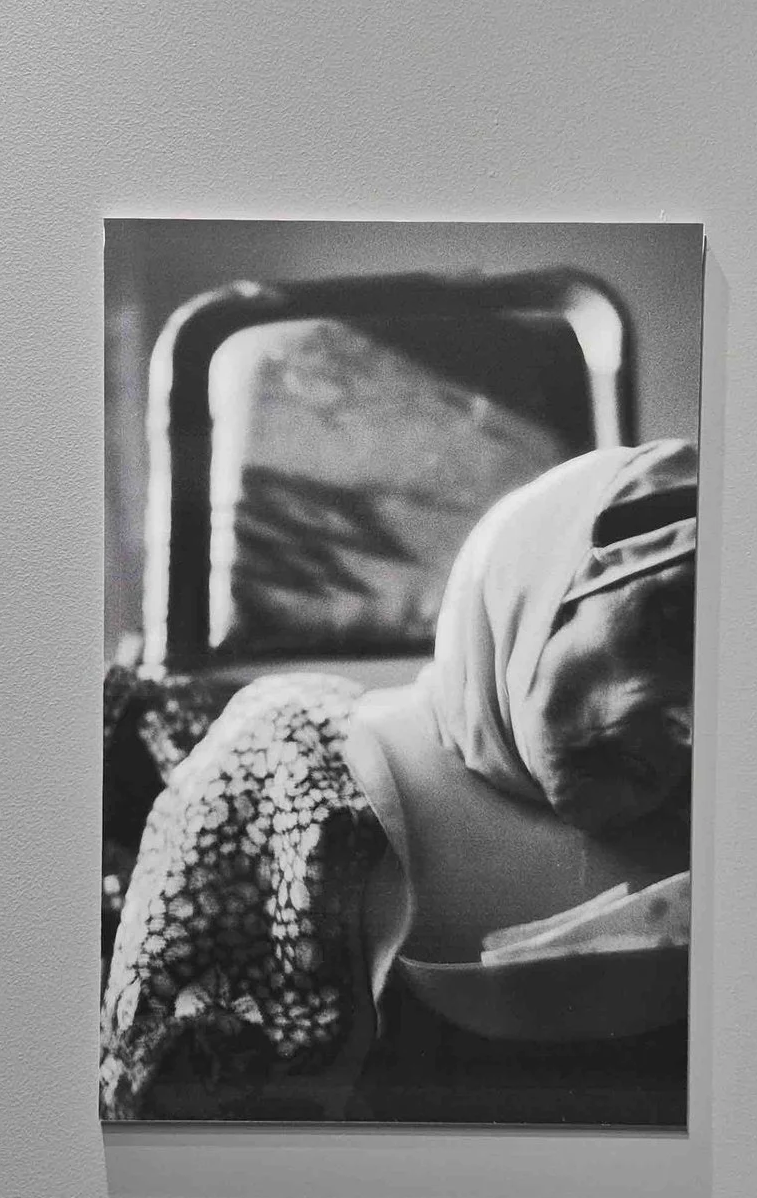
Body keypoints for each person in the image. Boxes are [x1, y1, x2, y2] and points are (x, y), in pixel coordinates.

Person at [99, 440, 698, 1121]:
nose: (692, 721)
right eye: (674, 627)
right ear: (538, 586)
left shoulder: (734, 846)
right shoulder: (297, 770)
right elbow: (175, 1156)